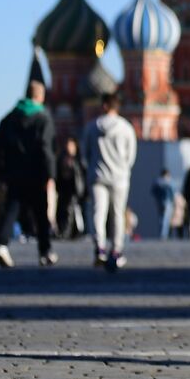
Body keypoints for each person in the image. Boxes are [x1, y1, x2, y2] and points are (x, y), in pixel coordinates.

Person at [0, 80, 57, 267]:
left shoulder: (9, 118)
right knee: (41, 214)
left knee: (11, 210)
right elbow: (47, 149)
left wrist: (1, 172)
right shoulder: (43, 119)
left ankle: (2, 245)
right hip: (36, 174)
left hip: (14, 173)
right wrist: (50, 175)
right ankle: (45, 251)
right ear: (39, 97)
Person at [82, 92, 138, 271]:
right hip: (120, 178)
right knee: (118, 214)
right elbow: (131, 155)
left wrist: (92, 167)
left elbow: (85, 153)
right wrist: (123, 168)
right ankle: (117, 250)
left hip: (97, 176)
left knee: (99, 212)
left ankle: (99, 247)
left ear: (104, 106)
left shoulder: (92, 127)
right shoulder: (126, 127)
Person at [54, 137, 86, 240]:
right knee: (63, 210)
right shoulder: (61, 159)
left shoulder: (78, 160)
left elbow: (82, 175)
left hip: (75, 190)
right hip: (64, 189)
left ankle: (71, 231)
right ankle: (64, 230)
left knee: (72, 211)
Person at [151, 169, 177, 241]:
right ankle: (164, 234)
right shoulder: (170, 182)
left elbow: (153, 192)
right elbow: (173, 192)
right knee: (166, 219)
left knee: (161, 218)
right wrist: (173, 201)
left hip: (159, 202)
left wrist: (157, 198)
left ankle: (162, 234)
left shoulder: (157, 182)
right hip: (168, 202)